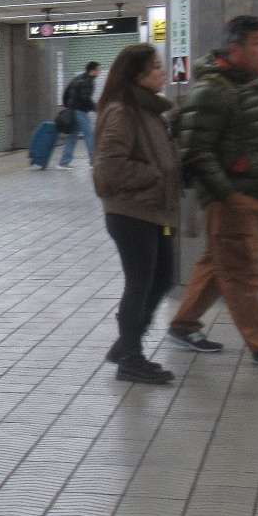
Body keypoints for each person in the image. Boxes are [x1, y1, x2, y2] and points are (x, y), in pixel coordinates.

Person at [165, 15, 258, 372]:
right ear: (234, 49)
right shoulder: (211, 90)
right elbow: (196, 150)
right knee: (241, 273)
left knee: (218, 263)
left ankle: (183, 325)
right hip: (231, 199)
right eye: (257, 44)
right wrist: (227, 195)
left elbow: (256, 129)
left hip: (254, 193)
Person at [93, 44, 180, 385]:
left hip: (152, 210)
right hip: (131, 211)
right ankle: (131, 357)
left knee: (162, 277)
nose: (163, 72)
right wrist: (156, 175)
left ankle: (126, 345)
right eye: (156, 67)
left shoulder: (149, 110)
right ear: (137, 75)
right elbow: (109, 168)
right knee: (141, 282)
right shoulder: (123, 112)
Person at [58, 60, 101, 168]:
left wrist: (67, 106)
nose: (99, 72)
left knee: (72, 136)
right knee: (89, 135)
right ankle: (93, 161)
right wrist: (96, 108)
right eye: (98, 69)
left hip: (74, 110)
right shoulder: (88, 81)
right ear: (93, 70)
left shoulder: (78, 78)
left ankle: (64, 162)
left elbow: (66, 92)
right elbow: (85, 98)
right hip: (80, 111)